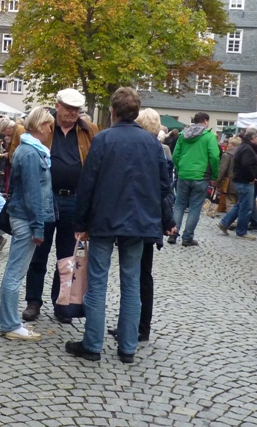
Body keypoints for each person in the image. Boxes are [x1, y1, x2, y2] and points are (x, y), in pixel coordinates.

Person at [65, 88, 173, 363]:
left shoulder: (103, 140)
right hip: (139, 222)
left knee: (98, 282)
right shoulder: (152, 144)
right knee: (132, 283)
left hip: (104, 219)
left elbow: (87, 183)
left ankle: (92, 345)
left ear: (112, 111)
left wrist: (81, 221)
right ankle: (127, 347)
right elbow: (164, 186)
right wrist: (167, 221)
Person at [23, 88, 99, 324]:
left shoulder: (89, 131)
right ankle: (33, 302)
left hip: (74, 199)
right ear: (57, 106)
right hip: (46, 198)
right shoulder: (44, 127)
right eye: (69, 109)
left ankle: (62, 302)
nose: (73, 113)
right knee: (39, 252)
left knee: (67, 256)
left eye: (77, 110)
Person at [0, 107, 55, 341]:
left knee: (15, 272)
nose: (51, 129)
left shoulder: (31, 149)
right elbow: (33, 194)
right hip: (25, 219)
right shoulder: (31, 153)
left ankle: (11, 322)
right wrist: (38, 227)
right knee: (15, 273)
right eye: (49, 125)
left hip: (23, 217)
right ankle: (10, 324)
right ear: (41, 126)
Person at [129, 108, 176, 341]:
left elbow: (162, 191)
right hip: (149, 220)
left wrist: (167, 220)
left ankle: (139, 326)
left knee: (140, 275)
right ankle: (135, 324)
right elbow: (165, 190)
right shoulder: (158, 149)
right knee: (139, 274)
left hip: (143, 219)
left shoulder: (149, 150)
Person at [171, 112, 220, 247]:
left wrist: (180, 168)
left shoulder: (183, 135)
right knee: (195, 207)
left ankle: (173, 233)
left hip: (184, 174)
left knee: (179, 204)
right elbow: (215, 157)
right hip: (201, 176)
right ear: (205, 121)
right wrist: (215, 175)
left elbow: (175, 155)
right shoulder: (209, 136)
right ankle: (187, 238)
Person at [218, 127, 257, 239]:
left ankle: (224, 222)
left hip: (240, 180)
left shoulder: (244, 147)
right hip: (245, 181)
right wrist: (252, 177)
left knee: (240, 204)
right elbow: (246, 165)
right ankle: (242, 231)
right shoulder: (247, 149)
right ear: (253, 138)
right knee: (246, 207)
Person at [215, 137, 241, 217]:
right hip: (241, 182)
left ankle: (232, 221)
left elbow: (222, 170)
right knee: (238, 203)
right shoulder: (242, 154)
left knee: (230, 202)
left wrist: (217, 182)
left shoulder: (227, 154)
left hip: (230, 182)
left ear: (231, 144)